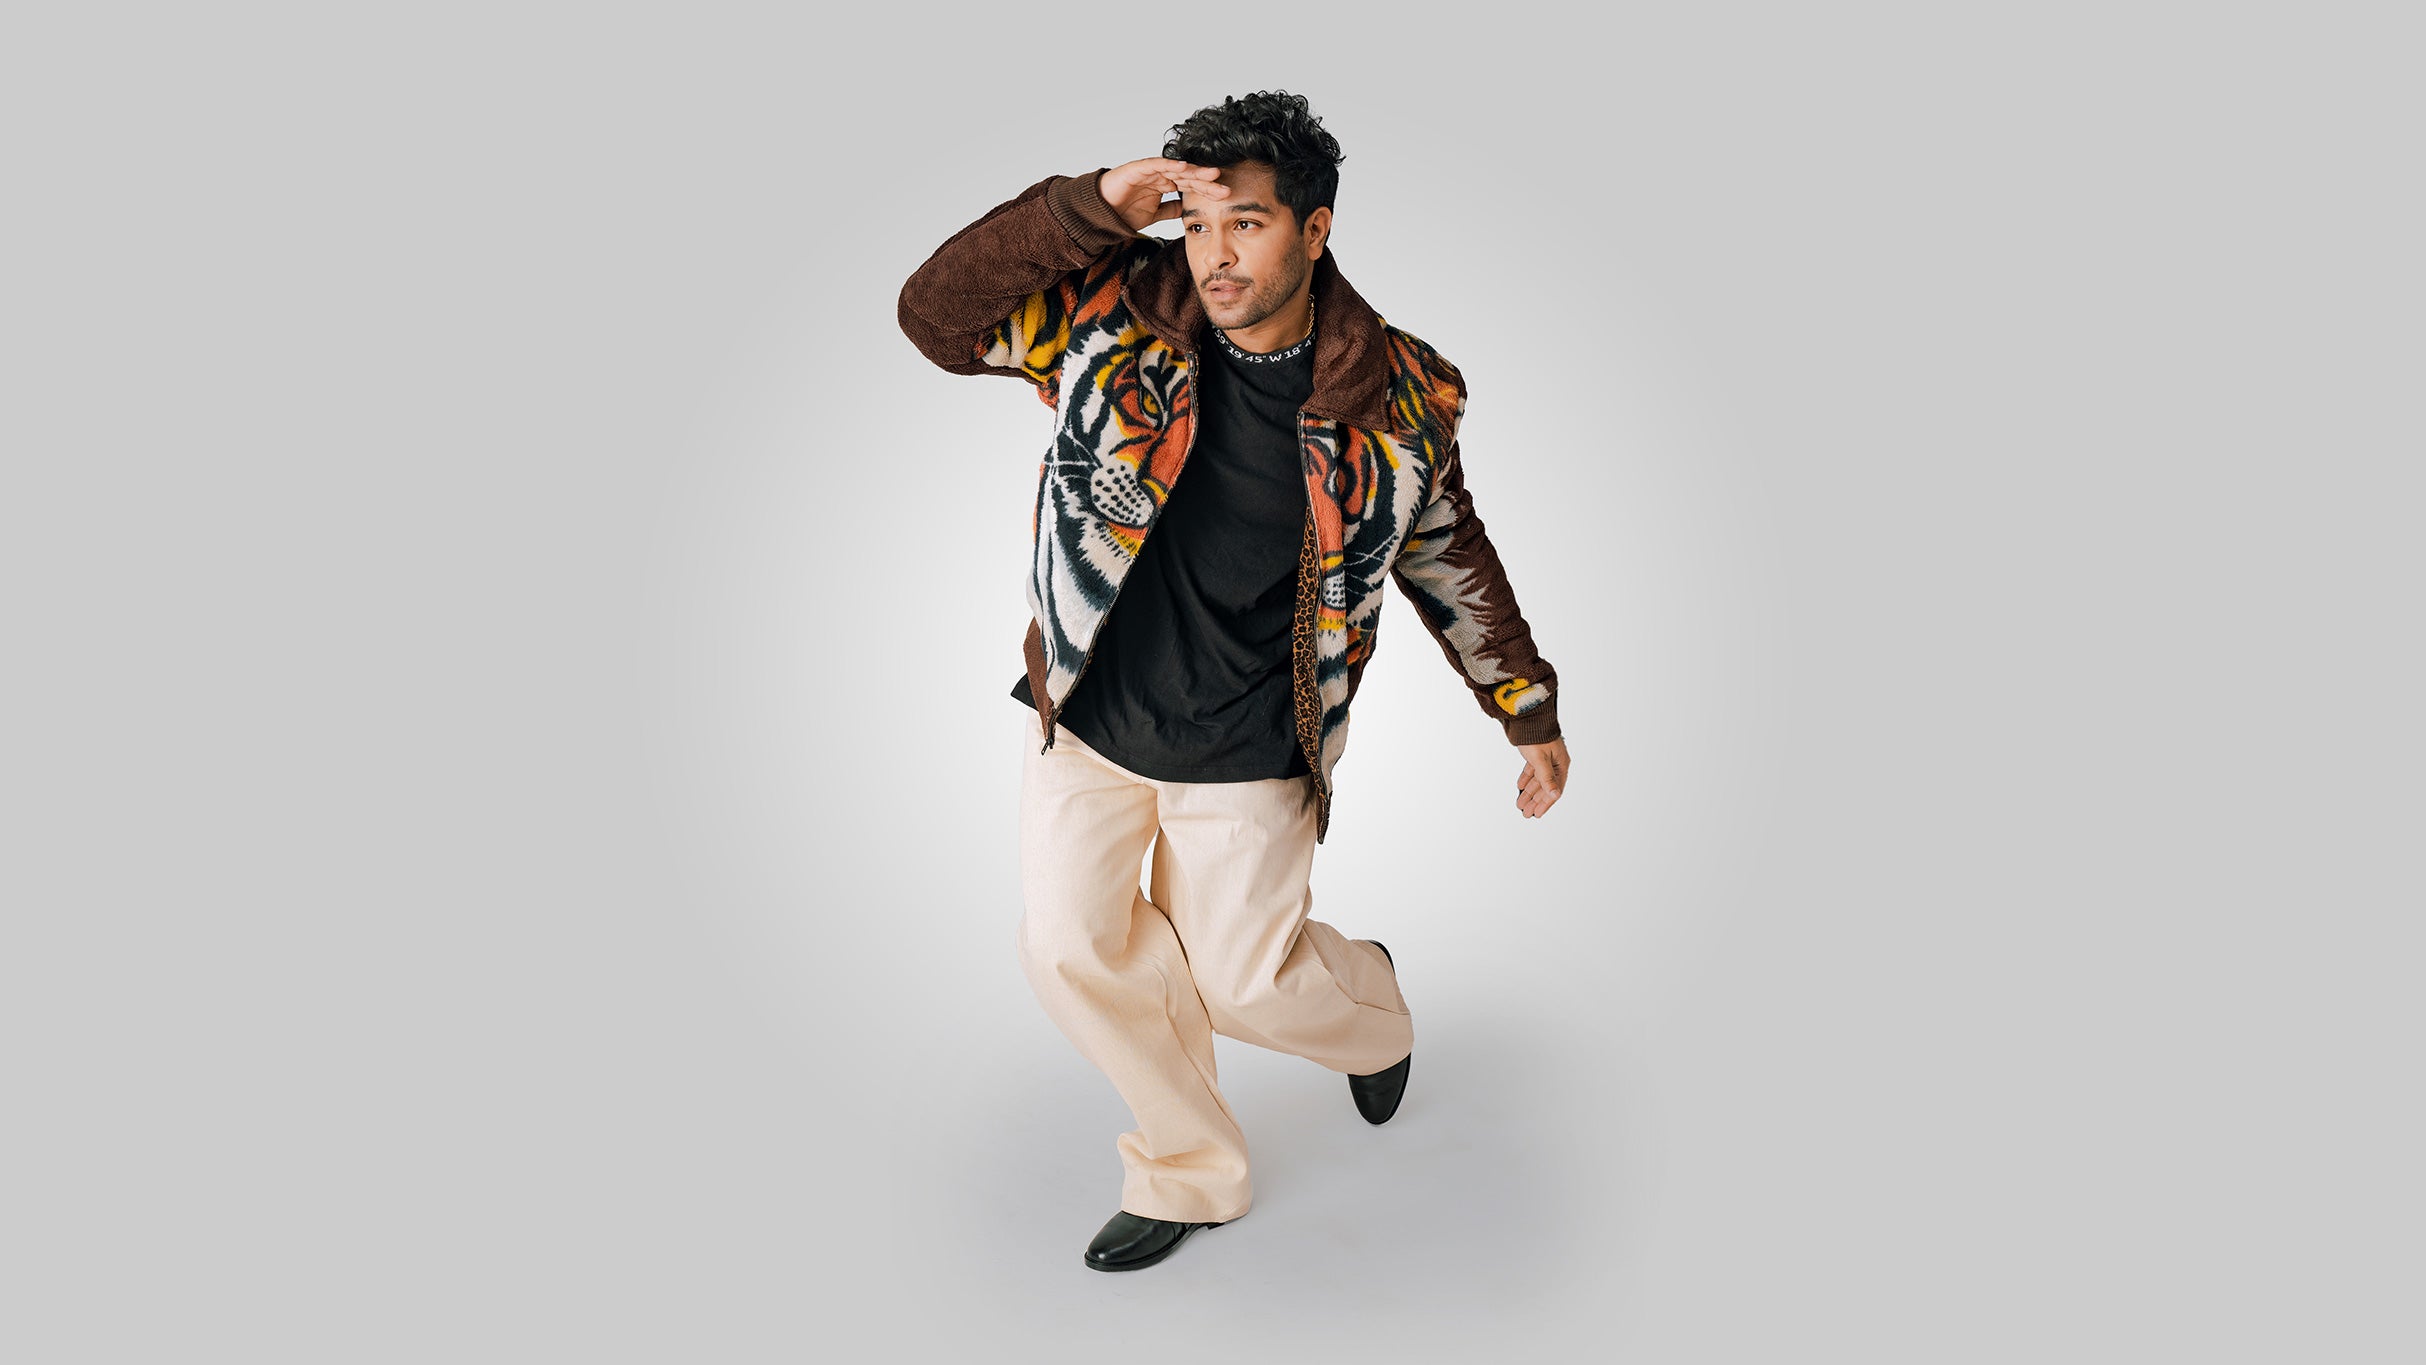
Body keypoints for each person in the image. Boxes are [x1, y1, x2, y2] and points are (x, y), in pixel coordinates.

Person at [896, 90, 1571, 1272]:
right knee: (1069, 949)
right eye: (1197, 224)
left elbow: (1447, 552)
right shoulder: (1109, 312)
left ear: (1314, 230)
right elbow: (936, 318)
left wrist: (1523, 707)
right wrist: (1089, 209)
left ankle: (1372, 1011)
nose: (1212, 256)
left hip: (1254, 738)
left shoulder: (1397, 395)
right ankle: (1189, 1171)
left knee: (1247, 984)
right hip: (1090, 711)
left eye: (1244, 225)